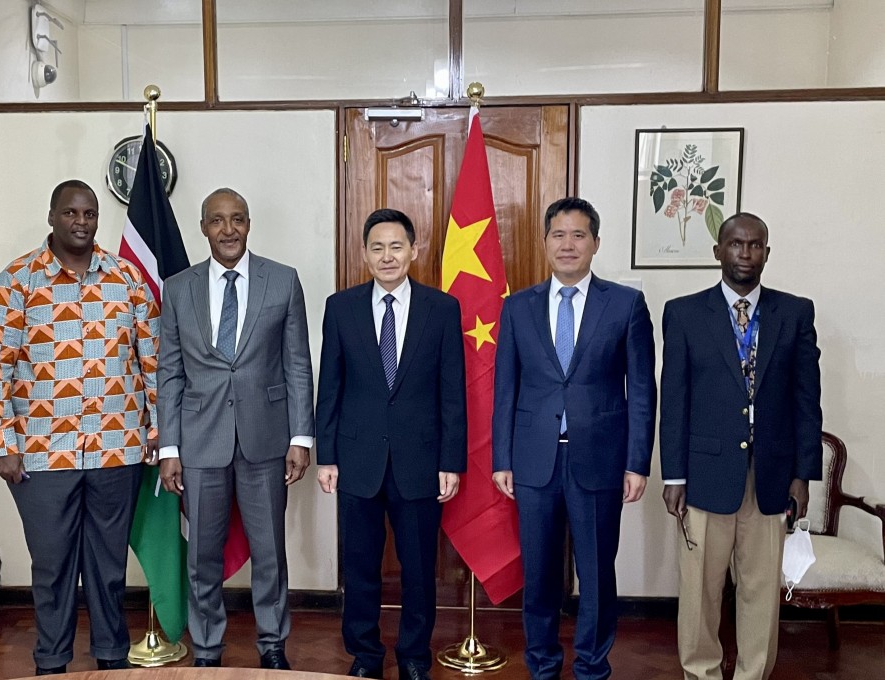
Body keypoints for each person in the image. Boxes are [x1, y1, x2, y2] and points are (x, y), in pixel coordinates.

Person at [0, 179, 159, 676]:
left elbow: (153, 364)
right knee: (53, 566)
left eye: (90, 213)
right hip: (40, 453)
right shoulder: (15, 282)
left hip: (115, 449)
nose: (81, 222)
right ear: (52, 215)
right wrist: (2, 444)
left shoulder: (127, 279)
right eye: (71, 212)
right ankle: (52, 663)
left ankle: (111, 656)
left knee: (108, 567)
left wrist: (158, 431)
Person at [492, 197, 656, 680]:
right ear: (545, 243)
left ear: (596, 244)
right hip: (534, 461)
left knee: (597, 573)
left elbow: (643, 389)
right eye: (558, 235)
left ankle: (591, 667)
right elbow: (505, 389)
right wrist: (502, 458)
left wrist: (637, 461)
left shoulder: (625, 304)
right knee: (539, 574)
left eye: (578, 235)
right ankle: (541, 665)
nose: (568, 244)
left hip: (600, 461)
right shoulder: (517, 307)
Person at [156, 188, 314, 669]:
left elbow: (298, 365)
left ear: (249, 224)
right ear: (203, 227)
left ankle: (272, 648)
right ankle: (206, 651)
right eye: (218, 221)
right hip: (200, 442)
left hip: (266, 441)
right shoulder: (178, 288)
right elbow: (170, 371)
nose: (229, 230)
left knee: (270, 555)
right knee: (202, 558)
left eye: (238, 219)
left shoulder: (282, 281)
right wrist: (169, 447)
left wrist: (300, 437)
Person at [660, 213, 822, 680]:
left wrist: (802, 474)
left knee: (760, 592)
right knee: (700, 593)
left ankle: (753, 674)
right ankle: (702, 673)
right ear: (718, 251)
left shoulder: (794, 313)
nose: (745, 254)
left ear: (767, 253)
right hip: (705, 475)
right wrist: (674, 475)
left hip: (770, 477)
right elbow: (675, 399)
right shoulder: (685, 312)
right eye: (736, 244)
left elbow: (806, 401)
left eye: (755, 246)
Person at [315, 209, 467, 680]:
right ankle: (364, 655)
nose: (387, 256)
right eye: (377, 247)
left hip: (420, 461)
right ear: (364, 254)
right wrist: (327, 456)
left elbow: (452, 391)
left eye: (396, 246)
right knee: (360, 567)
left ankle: (415, 658)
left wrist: (451, 460)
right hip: (357, 459)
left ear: (414, 251)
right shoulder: (340, 307)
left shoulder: (442, 309)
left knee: (419, 569)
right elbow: (331, 388)